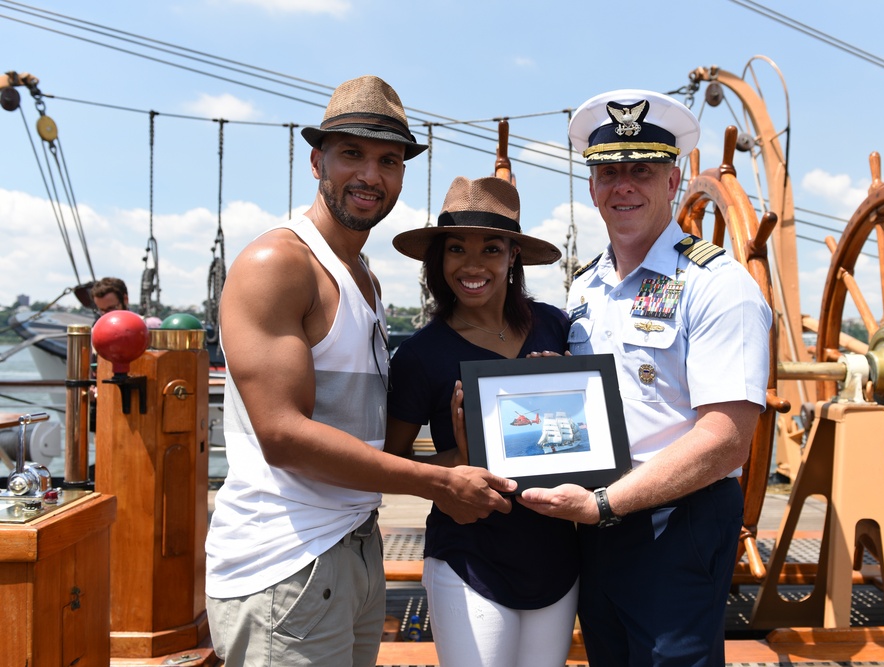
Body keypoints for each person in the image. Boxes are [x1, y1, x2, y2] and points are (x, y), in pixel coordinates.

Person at [204, 76, 515, 667]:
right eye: (352, 154)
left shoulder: (364, 278)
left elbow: (355, 436)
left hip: (353, 543)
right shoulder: (279, 263)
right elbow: (283, 435)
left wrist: (455, 460)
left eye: (388, 160)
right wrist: (436, 483)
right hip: (288, 560)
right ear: (317, 159)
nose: (371, 175)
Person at [518, 89, 772, 666]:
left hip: (674, 519)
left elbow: (727, 438)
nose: (622, 185)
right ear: (591, 186)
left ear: (673, 181)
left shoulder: (718, 286)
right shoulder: (586, 285)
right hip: (594, 516)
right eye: (608, 171)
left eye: (641, 170)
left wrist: (606, 504)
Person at [385, 176, 579, 667]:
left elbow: (583, 432)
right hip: (469, 552)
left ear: (513, 255)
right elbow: (391, 463)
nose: (472, 265)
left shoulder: (556, 325)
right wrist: (461, 459)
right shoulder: (419, 356)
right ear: (439, 259)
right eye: (456, 249)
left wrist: (569, 397)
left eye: (491, 248)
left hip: (556, 549)